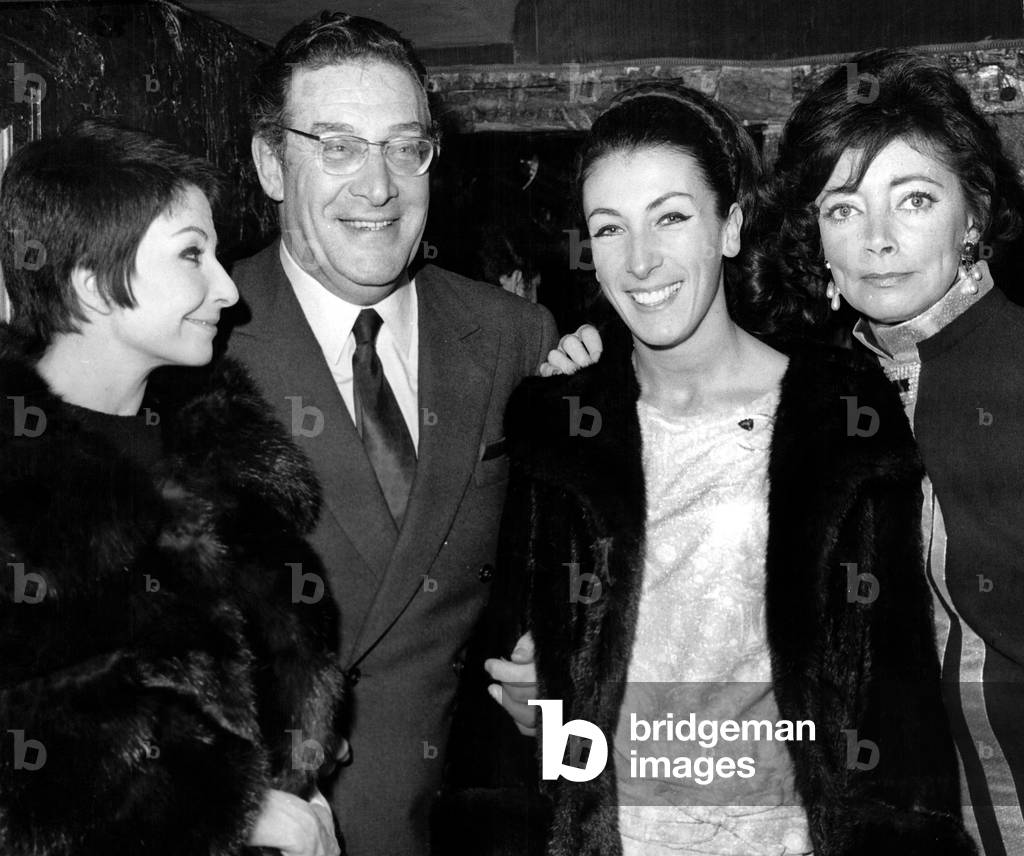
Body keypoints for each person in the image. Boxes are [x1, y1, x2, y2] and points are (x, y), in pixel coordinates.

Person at [439, 81, 974, 856]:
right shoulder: (560, 427)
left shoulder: (840, 419)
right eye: (611, 228)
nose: (643, 259)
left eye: (672, 217)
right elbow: (529, 701)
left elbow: (892, 690)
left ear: (729, 226)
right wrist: (540, 702)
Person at [224, 12, 557, 855]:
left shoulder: (516, 335)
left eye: (405, 147)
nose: (378, 186)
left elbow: (558, 561)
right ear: (272, 164)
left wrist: (562, 668)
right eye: (337, 146)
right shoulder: (195, 341)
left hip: (478, 820)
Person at [0, 122, 345, 855]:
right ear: (93, 284)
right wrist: (235, 812)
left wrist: (297, 785)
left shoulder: (214, 445)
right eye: (193, 254)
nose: (228, 288)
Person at [749, 48, 1024, 855]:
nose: (878, 239)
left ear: (972, 214)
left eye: (914, 199)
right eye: (843, 209)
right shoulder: (820, 390)